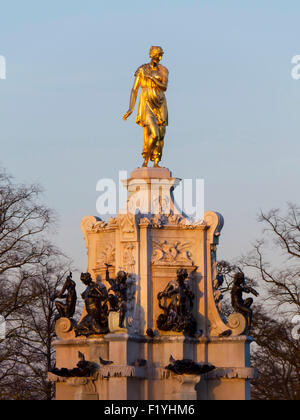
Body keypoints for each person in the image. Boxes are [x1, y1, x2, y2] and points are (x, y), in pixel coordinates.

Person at [123, 46, 169, 168]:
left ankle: (156, 162)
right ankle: (146, 159)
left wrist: (152, 78)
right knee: (154, 133)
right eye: (158, 55)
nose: (159, 58)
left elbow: (164, 87)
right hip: (147, 101)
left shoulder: (163, 70)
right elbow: (134, 89)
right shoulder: (142, 70)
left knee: (161, 134)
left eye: (161, 55)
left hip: (160, 102)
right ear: (152, 55)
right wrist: (130, 108)